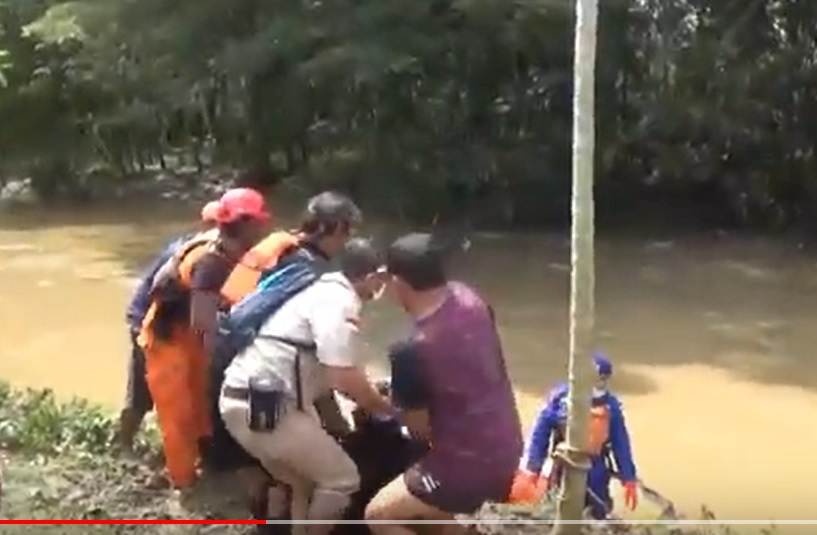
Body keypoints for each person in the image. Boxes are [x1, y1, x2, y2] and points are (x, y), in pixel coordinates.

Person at [202, 191, 365, 523]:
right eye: (348, 232)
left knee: (288, 475)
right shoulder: (313, 273)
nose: (347, 240)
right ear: (335, 229)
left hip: (232, 359)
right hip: (256, 379)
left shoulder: (285, 248)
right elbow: (321, 355)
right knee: (307, 475)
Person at [219, 237, 393, 535]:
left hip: (246, 400)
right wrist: (387, 410)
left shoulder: (319, 291)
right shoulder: (340, 301)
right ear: (372, 276)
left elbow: (325, 379)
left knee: (305, 482)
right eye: (383, 279)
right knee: (342, 479)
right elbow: (343, 376)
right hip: (266, 407)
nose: (383, 288)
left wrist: (344, 422)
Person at [364, 233, 523, 535]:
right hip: (508, 447)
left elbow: (418, 429)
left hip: (466, 467)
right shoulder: (472, 300)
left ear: (395, 281)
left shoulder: (410, 350)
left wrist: (396, 400)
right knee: (438, 516)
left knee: (379, 514)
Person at [138, 187, 271, 488]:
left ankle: (207, 460)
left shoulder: (229, 249)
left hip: (191, 331)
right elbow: (203, 323)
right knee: (178, 413)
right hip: (168, 338)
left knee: (201, 400)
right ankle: (182, 480)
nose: (264, 229)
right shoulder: (209, 262)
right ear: (246, 224)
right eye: (259, 223)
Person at [116, 200, 220, 452]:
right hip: (148, 321)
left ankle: (197, 447)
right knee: (144, 391)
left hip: (169, 322)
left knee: (192, 388)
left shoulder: (199, 247)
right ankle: (121, 443)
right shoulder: (197, 253)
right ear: (207, 225)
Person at [513, 353, 638, 520]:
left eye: (602, 380)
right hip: (565, 463)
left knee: (598, 509)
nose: (598, 385)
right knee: (561, 505)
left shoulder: (611, 407)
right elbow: (539, 436)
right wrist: (531, 469)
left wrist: (628, 477)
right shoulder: (560, 401)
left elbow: (621, 443)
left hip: (596, 467)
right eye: (594, 379)